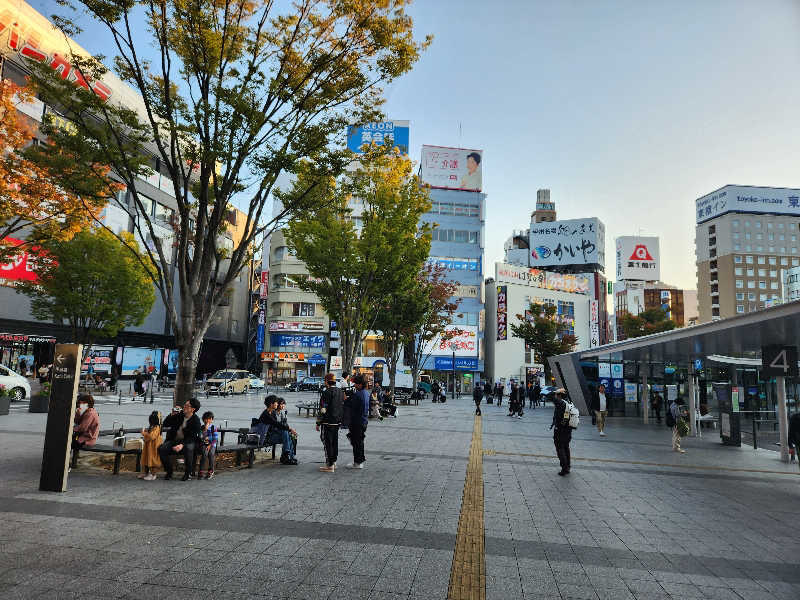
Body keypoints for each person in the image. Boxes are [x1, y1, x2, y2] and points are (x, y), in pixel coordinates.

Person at [158, 397, 203, 480]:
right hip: (174, 440)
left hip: (188, 442)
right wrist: (171, 414)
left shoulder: (195, 421)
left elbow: (192, 437)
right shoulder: (180, 415)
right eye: (185, 405)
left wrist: (182, 445)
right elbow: (165, 424)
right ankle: (169, 471)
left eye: (187, 406)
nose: (184, 406)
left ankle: (188, 473)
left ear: (192, 409)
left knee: (189, 448)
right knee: (162, 448)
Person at [258, 396, 298, 465]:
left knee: (289, 436)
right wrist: (290, 429)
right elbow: (277, 424)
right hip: (265, 439)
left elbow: (279, 425)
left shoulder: (271, 412)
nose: (277, 404)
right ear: (271, 404)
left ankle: (289, 456)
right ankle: (286, 456)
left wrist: (289, 430)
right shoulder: (266, 414)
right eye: (276, 403)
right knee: (285, 433)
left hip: (272, 436)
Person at [317, 373, 344, 472]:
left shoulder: (326, 392)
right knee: (334, 442)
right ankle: (334, 462)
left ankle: (330, 465)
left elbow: (323, 409)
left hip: (328, 422)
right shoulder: (340, 392)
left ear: (326, 381)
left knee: (327, 442)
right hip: (337, 422)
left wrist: (318, 422)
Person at [347, 373, 370, 469]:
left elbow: (352, 406)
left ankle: (357, 462)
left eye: (356, 383)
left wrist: (346, 399)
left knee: (356, 442)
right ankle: (360, 460)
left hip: (357, 422)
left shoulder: (358, 394)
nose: (355, 385)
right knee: (360, 442)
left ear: (360, 384)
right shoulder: (366, 393)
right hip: (363, 421)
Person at [550, 389, 573, 476]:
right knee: (566, 447)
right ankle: (568, 466)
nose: (555, 396)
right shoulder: (568, 402)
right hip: (568, 429)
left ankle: (564, 467)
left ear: (559, 395)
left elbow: (551, 396)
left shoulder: (560, 403)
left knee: (560, 448)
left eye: (557, 395)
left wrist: (555, 391)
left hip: (560, 429)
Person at [139, 411, 162, 481]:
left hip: (154, 447)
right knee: (147, 459)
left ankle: (153, 474)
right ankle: (147, 473)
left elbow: (152, 436)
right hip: (149, 446)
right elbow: (149, 436)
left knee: (153, 460)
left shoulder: (157, 427)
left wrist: (144, 433)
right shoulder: (152, 426)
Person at [198, 411, 219, 479]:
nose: (207, 420)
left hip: (212, 444)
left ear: (212, 420)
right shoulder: (201, 427)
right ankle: (201, 470)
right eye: (206, 419)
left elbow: (215, 438)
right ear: (203, 420)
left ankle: (211, 470)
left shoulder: (213, 428)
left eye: (209, 419)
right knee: (204, 454)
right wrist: (205, 430)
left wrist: (210, 445)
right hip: (204, 444)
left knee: (211, 454)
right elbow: (201, 437)